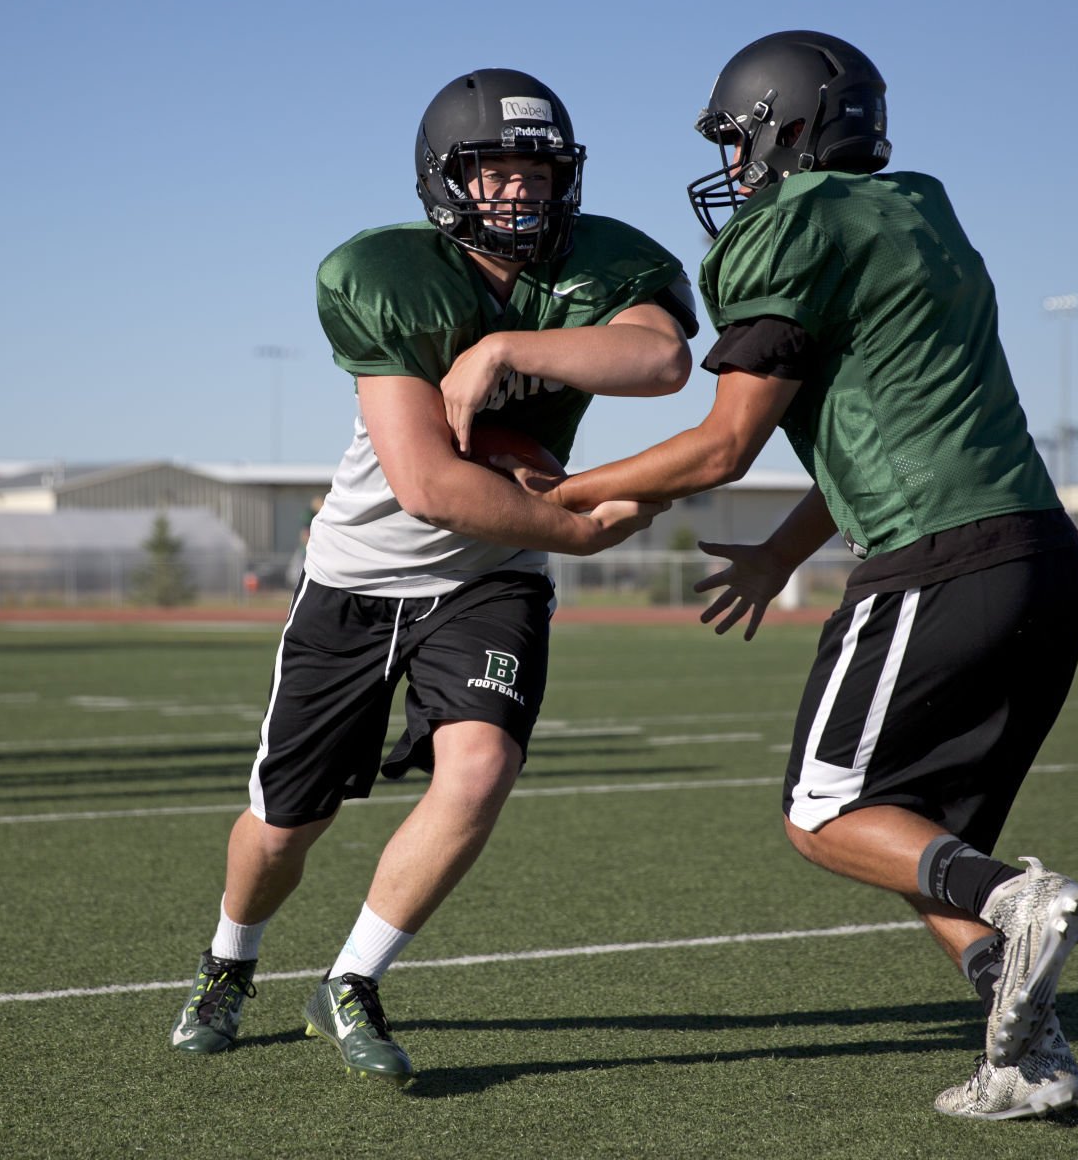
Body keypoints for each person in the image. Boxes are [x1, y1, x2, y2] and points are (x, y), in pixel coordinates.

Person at [522, 31, 1078, 1120]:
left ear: (785, 128)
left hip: (937, 561)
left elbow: (721, 446)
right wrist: (782, 553)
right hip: (1042, 562)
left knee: (824, 810)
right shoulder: (921, 211)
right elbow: (879, 416)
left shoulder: (789, 229)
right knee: (920, 832)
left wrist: (557, 493)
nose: (736, 172)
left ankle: (1022, 903)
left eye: (740, 145)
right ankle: (1030, 1057)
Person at [168, 69, 695, 1085]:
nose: (521, 194)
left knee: (481, 768)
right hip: (363, 574)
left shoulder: (603, 263)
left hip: (491, 577)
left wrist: (502, 347)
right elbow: (426, 483)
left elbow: (662, 358)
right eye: (497, 173)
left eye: (537, 173)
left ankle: (354, 977)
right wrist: (575, 531)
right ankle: (229, 957)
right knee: (286, 824)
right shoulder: (389, 276)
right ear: (447, 182)